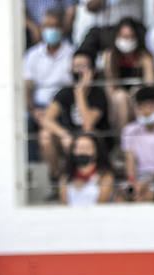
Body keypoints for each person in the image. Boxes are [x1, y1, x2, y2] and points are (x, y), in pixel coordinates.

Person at [40, 50, 108, 185]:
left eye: (83, 66)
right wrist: (64, 134)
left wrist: (80, 92)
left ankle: (85, 179)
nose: (79, 71)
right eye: (76, 66)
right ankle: (57, 179)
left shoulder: (98, 93)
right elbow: (47, 119)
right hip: (71, 135)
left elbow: (87, 123)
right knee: (45, 135)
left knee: (83, 139)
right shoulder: (65, 92)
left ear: (92, 70)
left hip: (93, 136)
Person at [102, 16, 154, 131]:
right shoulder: (110, 55)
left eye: (131, 37)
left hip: (139, 100)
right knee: (121, 96)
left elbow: (150, 85)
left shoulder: (145, 56)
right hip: (117, 103)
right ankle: (124, 137)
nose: (127, 40)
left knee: (136, 91)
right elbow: (110, 85)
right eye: (124, 37)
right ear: (117, 37)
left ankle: (142, 133)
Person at [120, 84, 154, 201]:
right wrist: (133, 183)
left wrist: (146, 183)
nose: (145, 111)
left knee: (147, 196)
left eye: (149, 106)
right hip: (138, 177)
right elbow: (130, 160)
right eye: (141, 107)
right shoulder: (129, 130)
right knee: (121, 197)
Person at [23, 6, 73, 126]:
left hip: (63, 108)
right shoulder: (32, 55)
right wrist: (34, 111)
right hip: (38, 107)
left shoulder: (71, 53)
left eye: (54, 26)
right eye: (47, 26)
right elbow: (27, 86)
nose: (50, 30)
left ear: (61, 28)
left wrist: (52, 111)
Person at [60, 131, 113, 205]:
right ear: (73, 151)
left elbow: (102, 205)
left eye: (86, 148)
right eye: (78, 148)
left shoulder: (105, 176)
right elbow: (64, 205)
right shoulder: (66, 177)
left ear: (96, 152)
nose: (82, 151)